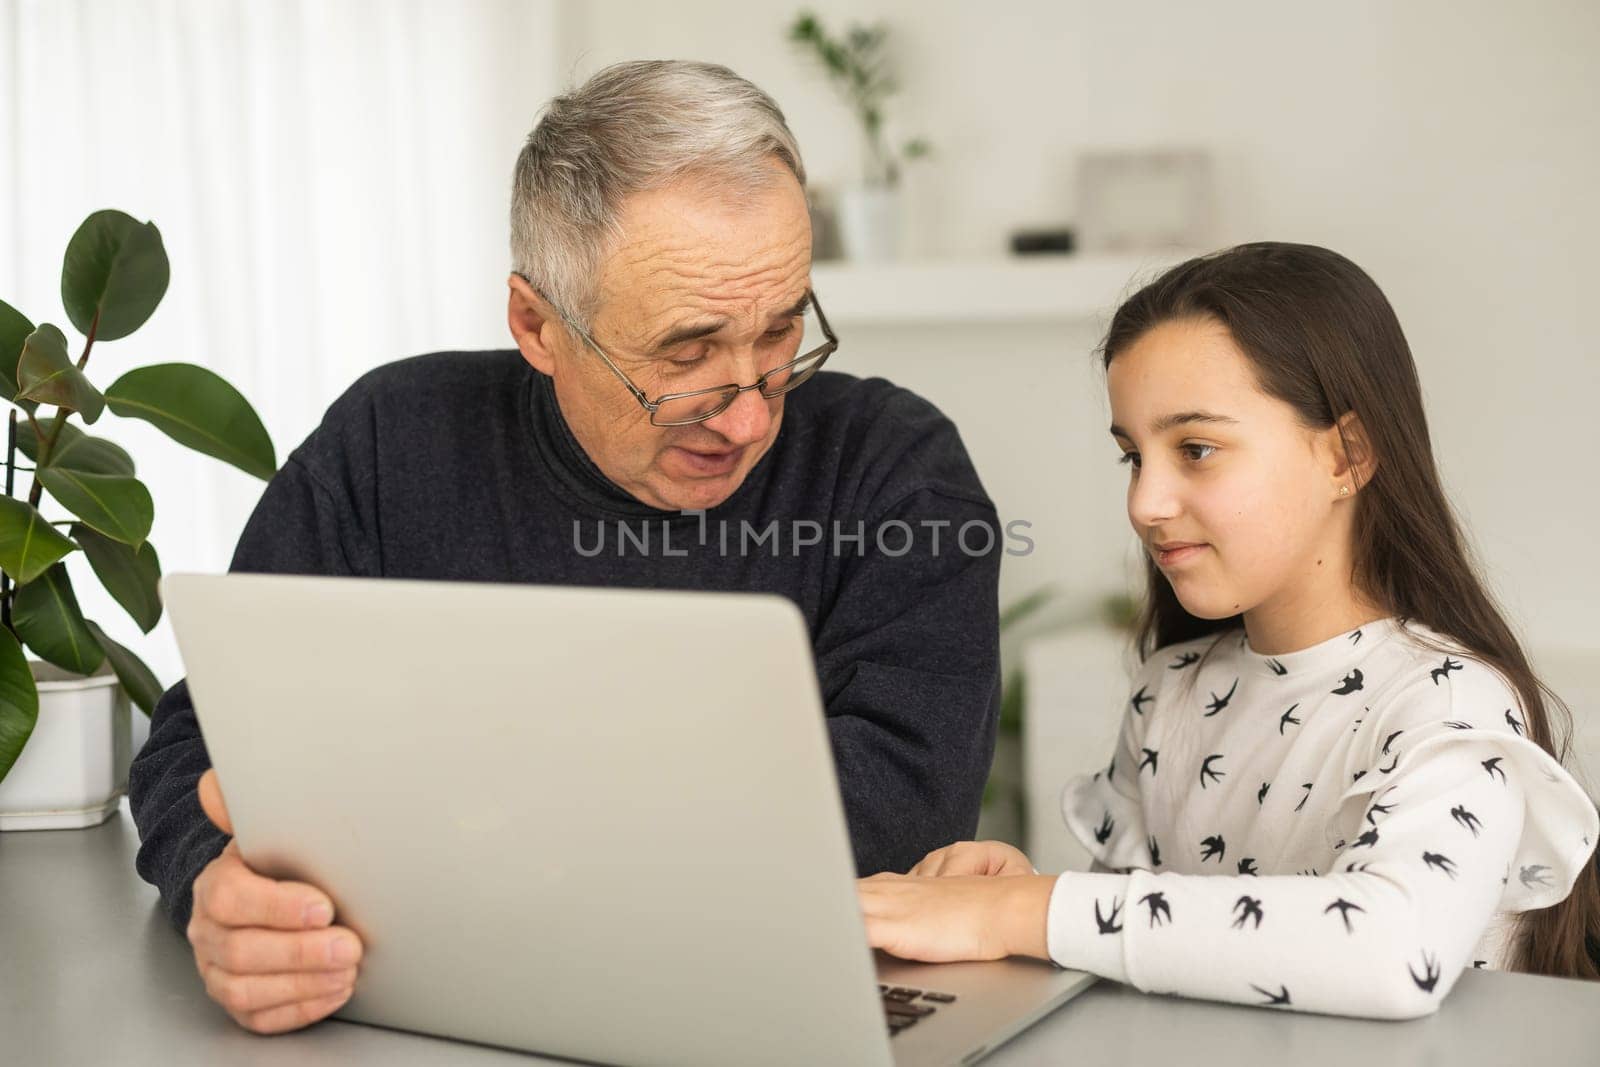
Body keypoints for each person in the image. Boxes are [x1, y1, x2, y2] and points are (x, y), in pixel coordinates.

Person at [130, 60, 1004, 1035]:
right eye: (684, 356)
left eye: (782, 330)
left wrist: (461, 834)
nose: (752, 412)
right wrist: (213, 884)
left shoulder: (898, 471)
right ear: (536, 324)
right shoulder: (391, 441)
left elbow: (899, 813)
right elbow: (200, 741)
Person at [859, 242, 1600, 1018]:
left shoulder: (1452, 706)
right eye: (1132, 457)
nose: (1146, 502)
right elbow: (1137, 949)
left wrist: (1028, 911)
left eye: (1196, 450)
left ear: (1347, 454)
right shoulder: (1169, 692)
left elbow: (1394, 952)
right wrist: (1015, 901)